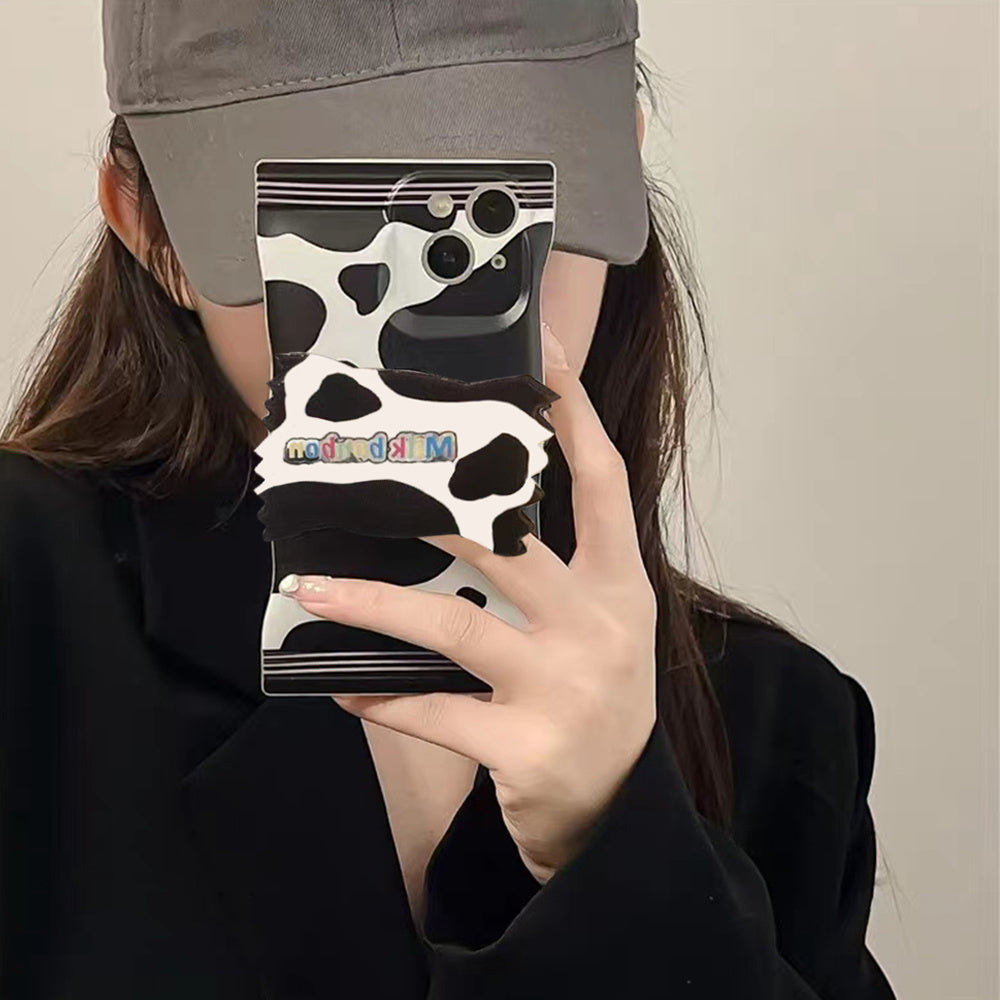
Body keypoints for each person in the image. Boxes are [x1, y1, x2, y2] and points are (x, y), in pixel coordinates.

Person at [0, 2, 896, 998]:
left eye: (500, 209)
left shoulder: (776, 727)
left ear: (623, 160)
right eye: (324, 218)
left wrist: (628, 853)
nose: (424, 302)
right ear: (147, 227)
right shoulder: (28, 613)